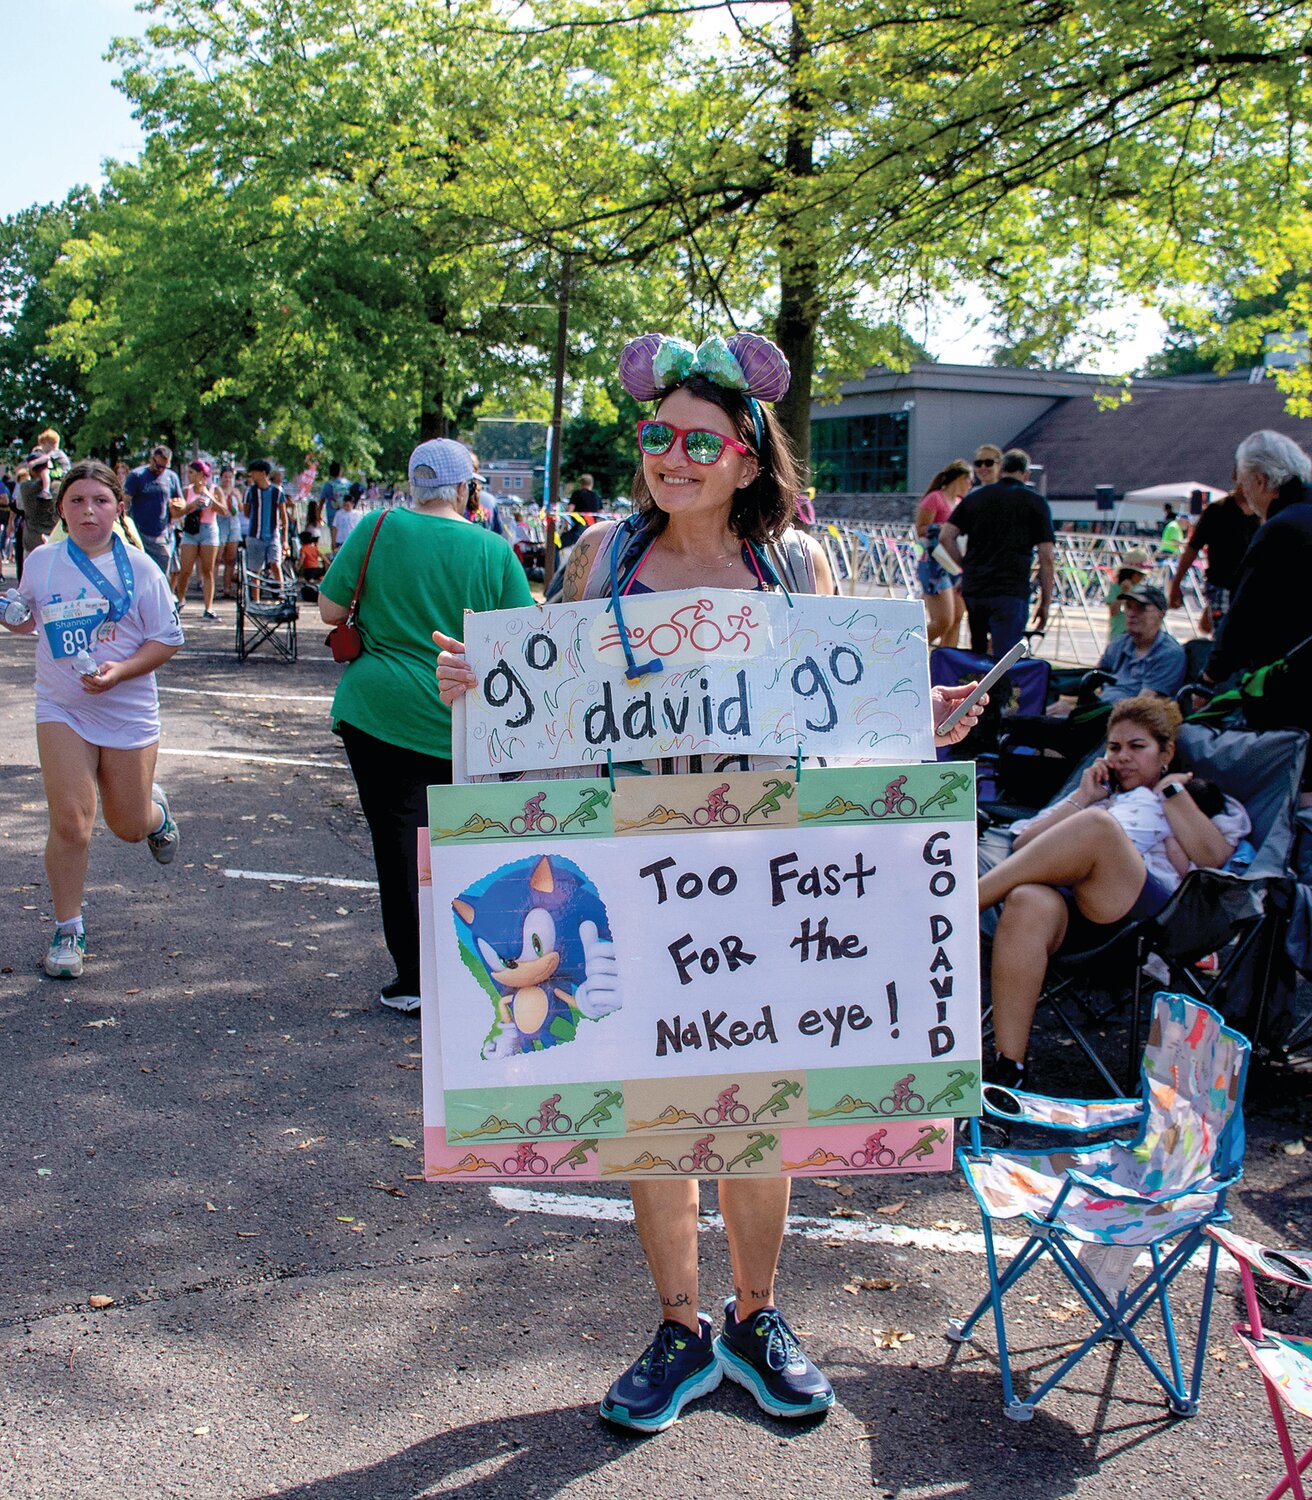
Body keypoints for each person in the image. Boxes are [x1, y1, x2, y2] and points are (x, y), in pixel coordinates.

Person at [434, 330, 986, 1436]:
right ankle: (680, 1325)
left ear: (745, 455)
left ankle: (756, 1316)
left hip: (760, 876)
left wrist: (908, 715)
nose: (671, 457)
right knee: (655, 1114)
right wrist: (474, 682)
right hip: (630, 864)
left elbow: (836, 715)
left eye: (698, 441)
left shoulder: (800, 566)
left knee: (758, 1114)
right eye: (655, 437)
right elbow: (539, 693)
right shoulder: (601, 556)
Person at [319, 437, 532, 1015]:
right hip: (463, 716)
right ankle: (484, 971)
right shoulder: (492, 549)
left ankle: (413, 979)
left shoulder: (374, 528)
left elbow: (330, 611)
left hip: (379, 711)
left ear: (414, 484)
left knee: (397, 846)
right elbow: (522, 637)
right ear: (466, 489)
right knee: (471, 843)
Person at [980, 695, 1249, 1092]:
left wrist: (1172, 794)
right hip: (1079, 916)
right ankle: (1009, 1070)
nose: (1122, 757)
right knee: (1027, 900)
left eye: (1137, 747)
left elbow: (1214, 859)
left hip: (1148, 922)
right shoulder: (1098, 800)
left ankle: (958, 905)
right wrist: (1084, 798)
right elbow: (1023, 848)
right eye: (1114, 747)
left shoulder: (1193, 796)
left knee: (1100, 829)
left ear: (1166, 752)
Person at [2, 460, 184, 980]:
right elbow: (27, 618)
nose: (88, 511)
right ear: (61, 508)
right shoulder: (42, 561)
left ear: (118, 508)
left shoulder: (143, 567)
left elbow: (168, 639)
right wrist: (10, 612)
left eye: (100, 501)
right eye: (77, 501)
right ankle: (68, 929)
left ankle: (156, 815)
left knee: (126, 826)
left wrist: (121, 670)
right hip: (62, 707)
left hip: (126, 709)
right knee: (71, 822)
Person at [1201, 431, 1312, 711]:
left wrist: (1209, 678)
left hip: (1289, 685)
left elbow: (1244, 614)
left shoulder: (1280, 530)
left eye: (1244, 486)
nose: (1244, 497)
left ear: (1261, 481)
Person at [937, 447, 1055, 659]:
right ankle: (999, 691)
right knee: (1004, 658)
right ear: (1026, 474)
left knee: (978, 652)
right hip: (1011, 589)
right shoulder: (1035, 503)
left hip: (976, 587)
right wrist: (1045, 602)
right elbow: (1046, 557)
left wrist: (966, 567)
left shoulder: (975, 498)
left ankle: (976, 689)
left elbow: (946, 536)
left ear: (1001, 470)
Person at [1167, 487, 1258, 637]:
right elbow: (1193, 547)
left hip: (1251, 589)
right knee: (1224, 638)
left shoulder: (1263, 510)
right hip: (1222, 586)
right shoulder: (1217, 510)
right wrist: (1176, 584)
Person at [914, 458, 971, 647]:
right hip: (935, 563)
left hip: (955, 563)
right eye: (969, 481)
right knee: (943, 621)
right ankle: (910, 649)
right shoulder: (935, 498)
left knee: (956, 619)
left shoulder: (961, 502)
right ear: (961, 478)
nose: (970, 486)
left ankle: (945, 667)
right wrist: (945, 529)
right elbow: (921, 528)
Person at [172, 459, 226, 619]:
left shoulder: (215, 489)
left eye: (191, 472)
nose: (188, 476)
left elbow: (224, 510)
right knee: (185, 569)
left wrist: (211, 497)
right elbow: (178, 513)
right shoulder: (186, 490)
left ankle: (208, 607)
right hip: (190, 531)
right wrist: (193, 504)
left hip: (208, 529)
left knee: (207, 570)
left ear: (201, 474)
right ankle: (181, 599)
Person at [124, 447, 184, 577]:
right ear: (151, 459)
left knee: (161, 575)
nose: (160, 470)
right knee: (140, 573)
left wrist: (180, 509)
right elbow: (126, 500)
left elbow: (179, 502)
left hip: (162, 533)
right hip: (140, 533)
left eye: (164, 467)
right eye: (158, 465)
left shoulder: (172, 477)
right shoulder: (137, 476)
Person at [243, 459, 287, 599]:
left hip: (272, 534)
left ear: (263, 473)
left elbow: (283, 516)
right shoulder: (250, 491)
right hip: (254, 535)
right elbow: (246, 511)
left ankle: (281, 594)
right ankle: (255, 600)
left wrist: (284, 539)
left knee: (275, 563)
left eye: (254, 473)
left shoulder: (277, 491)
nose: (252, 476)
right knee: (255, 570)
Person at [16, 450, 61, 577]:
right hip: (54, 540)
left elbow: (19, 506)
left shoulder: (25, 487)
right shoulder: (59, 487)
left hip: (32, 542)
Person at [1107, 547, 1150, 642]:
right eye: (1140, 575)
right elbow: (1113, 612)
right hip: (1118, 638)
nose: (1142, 578)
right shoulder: (1115, 588)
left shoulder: (1143, 589)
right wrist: (1123, 593)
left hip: (1137, 639)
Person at [214, 465, 242, 599]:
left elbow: (241, 508)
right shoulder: (216, 490)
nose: (228, 480)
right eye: (225, 477)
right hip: (220, 523)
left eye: (230, 477)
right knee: (217, 558)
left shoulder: (236, 491)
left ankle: (227, 588)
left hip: (234, 524)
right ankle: (212, 587)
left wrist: (237, 497)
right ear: (221, 477)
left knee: (230, 559)